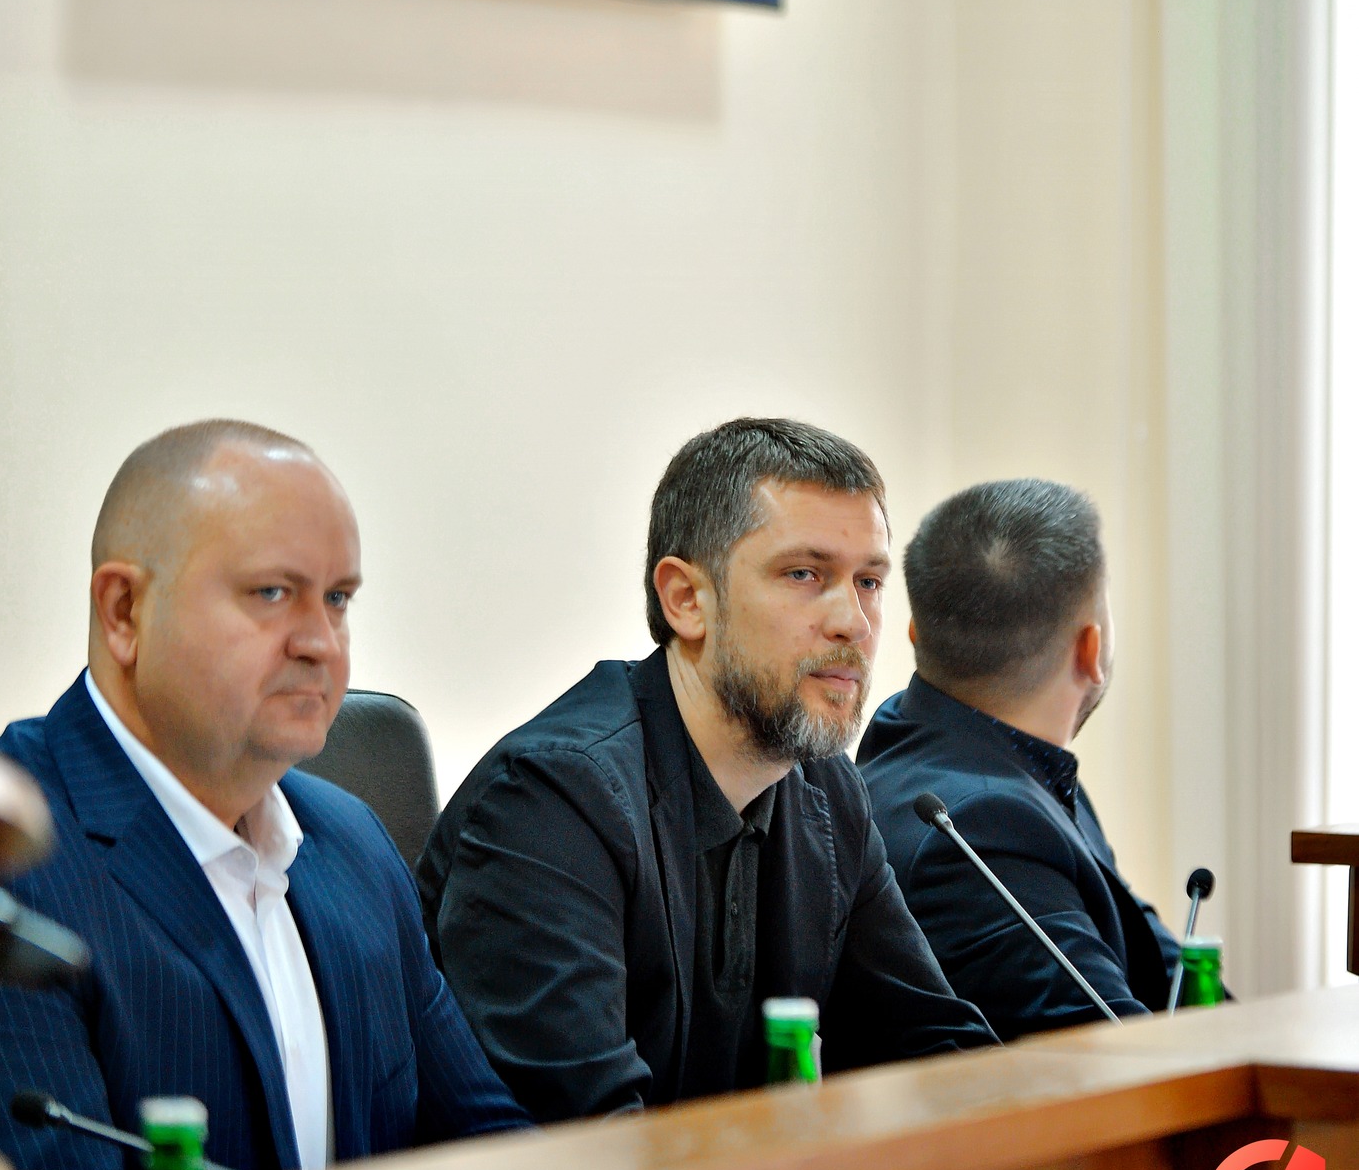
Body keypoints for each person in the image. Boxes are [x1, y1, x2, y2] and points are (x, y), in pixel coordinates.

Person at [417, 419, 995, 1124]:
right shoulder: (551, 802)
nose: (854, 621)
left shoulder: (826, 790)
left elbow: (937, 1053)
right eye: (804, 574)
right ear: (686, 599)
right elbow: (589, 1141)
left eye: (868, 581)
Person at [0, 421, 530, 1170]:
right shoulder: (14, 861)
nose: (321, 642)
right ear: (124, 611)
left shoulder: (354, 843)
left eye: (337, 599)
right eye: (272, 593)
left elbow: (492, 1145)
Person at [857, 479, 1181, 1039]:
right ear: (1091, 649)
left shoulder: (979, 761)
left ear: (915, 634)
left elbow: (1168, 965)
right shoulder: (981, 827)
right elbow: (1119, 1058)